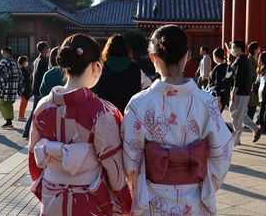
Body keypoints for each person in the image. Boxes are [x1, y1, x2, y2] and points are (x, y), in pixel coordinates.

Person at [122, 25, 233, 216]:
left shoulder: (138, 104)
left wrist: (136, 182)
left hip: (151, 199)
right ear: (188, 55)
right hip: (195, 200)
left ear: (152, 57)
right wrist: (209, 183)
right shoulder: (206, 103)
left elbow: (130, 158)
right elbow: (222, 152)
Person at [28, 33, 132, 215]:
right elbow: (114, 169)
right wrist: (126, 203)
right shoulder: (102, 112)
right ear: (96, 67)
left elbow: (33, 160)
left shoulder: (43, 106)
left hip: (52, 197)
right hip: (90, 199)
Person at [95, 34, 151, 113]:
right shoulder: (135, 68)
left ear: (108, 48)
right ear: (126, 49)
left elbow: (92, 92)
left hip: (106, 115)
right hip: (130, 114)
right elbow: (148, 87)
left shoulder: (101, 68)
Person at [229, 40, 262, 146]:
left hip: (240, 92)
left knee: (236, 115)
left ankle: (236, 139)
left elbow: (239, 78)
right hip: (244, 92)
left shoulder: (241, 61)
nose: (233, 50)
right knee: (240, 114)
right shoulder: (245, 60)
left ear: (238, 49)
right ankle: (255, 129)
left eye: (234, 48)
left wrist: (234, 92)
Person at [22, 42, 49, 138]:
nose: (48, 50)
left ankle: (27, 130)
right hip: (40, 89)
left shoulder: (36, 60)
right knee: (39, 111)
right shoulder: (44, 61)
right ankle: (29, 130)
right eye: (47, 48)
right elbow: (45, 76)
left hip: (35, 88)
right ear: (44, 49)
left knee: (35, 110)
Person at [0, 47, 23, 128]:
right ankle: (9, 121)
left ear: (5, 52)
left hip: (5, 87)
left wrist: (0, 85)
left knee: (1, 103)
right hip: (13, 87)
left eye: (2, 52)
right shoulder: (15, 62)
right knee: (9, 104)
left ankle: (8, 121)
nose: (1, 54)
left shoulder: (4, 61)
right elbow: (20, 75)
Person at [207, 47, 233, 113]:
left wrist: (218, 100)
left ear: (215, 56)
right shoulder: (228, 67)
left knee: (213, 117)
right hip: (225, 94)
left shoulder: (218, 68)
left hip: (216, 96)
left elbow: (217, 84)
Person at [247, 42, 261, 120]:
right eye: (258, 48)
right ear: (255, 50)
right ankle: (248, 121)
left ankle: (253, 120)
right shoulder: (250, 59)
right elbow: (252, 72)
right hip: (252, 84)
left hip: (256, 84)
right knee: (251, 105)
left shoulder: (256, 58)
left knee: (254, 104)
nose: (260, 49)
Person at [17, 56, 31, 122]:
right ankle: (20, 116)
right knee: (23, 103)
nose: (27, 62)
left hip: (24, 88)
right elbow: (27, 77)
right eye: (26, 61)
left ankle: (22, 116)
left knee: (24, 103)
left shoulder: (23, 68)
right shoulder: (22, 69)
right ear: (23, 62)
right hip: (23, 88)